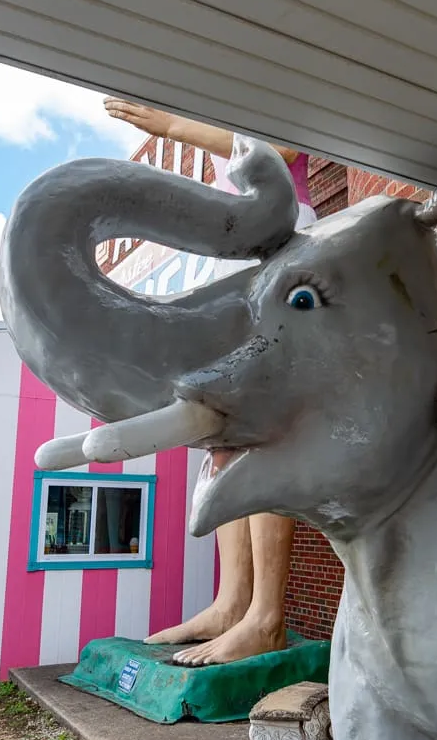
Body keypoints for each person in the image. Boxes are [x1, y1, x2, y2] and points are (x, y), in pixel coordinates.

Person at [104, 97, 315, 666]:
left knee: (262, 432)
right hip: (240, 253)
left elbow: (282, 149)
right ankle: (231, 602)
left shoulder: (278, 88)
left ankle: (266, 616)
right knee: (223, 436)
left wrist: (174, 127)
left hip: (282, 245)